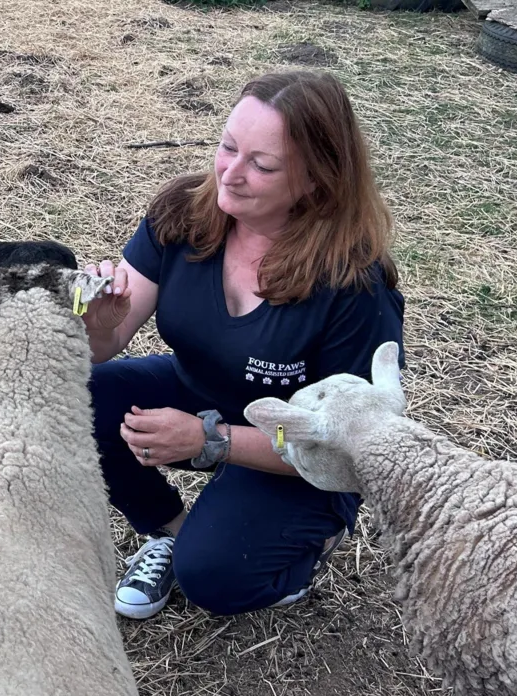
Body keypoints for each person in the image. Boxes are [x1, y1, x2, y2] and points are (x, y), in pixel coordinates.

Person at [81, 69, 405, 620]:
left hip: (301, 446)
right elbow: (104, 345)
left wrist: (212, 439)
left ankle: (308, 546)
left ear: (317, 180)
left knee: (216, 578)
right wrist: (95, 322)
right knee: (74, 397)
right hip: (203, 390)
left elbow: (350, 446)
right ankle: (171, 533)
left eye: (263, 165)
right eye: (228, 147)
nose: (230, 174)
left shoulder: (353, 284)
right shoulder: (182, 212)